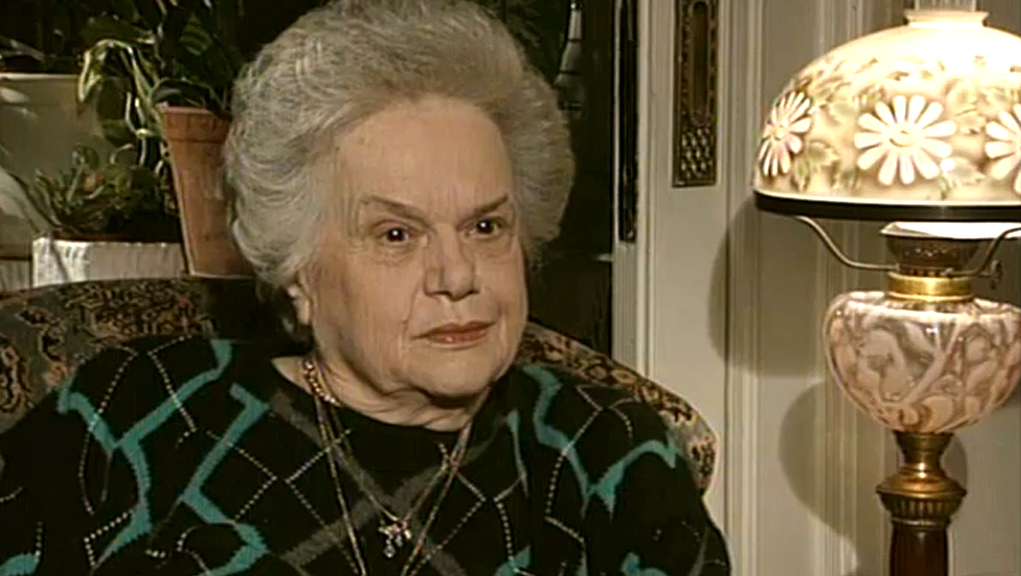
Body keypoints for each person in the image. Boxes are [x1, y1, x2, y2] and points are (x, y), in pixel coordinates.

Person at [0, 1, 730, 574]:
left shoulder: (606, 452)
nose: (457, 276)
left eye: (485, 227)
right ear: (298, 270)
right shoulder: (138, 414)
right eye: (396, 235)